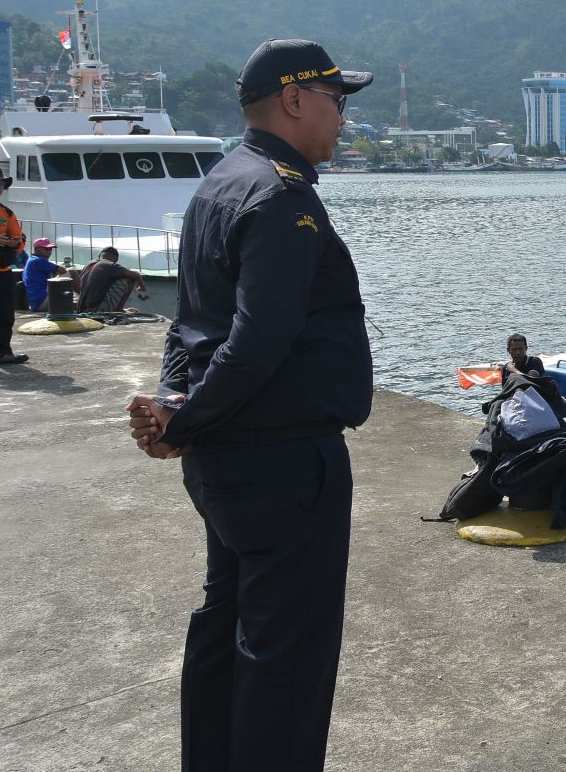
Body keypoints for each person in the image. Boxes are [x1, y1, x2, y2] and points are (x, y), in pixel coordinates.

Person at [125, 38, 373, 772]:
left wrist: (178, 406)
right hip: (282, 461)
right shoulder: (280, 195)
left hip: (226, 461)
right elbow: (259, 338)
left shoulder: (219, 183)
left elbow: (190, 320)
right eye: (336, 100)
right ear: (295, 100)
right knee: (284, 659)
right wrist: (189, 417)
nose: (342, 118)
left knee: (226, 629)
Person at [0, 163, 30, 364]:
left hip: (1, 269)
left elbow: (19, 238)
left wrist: (14, 244)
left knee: (5, 312)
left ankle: (1, 352)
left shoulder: (7, 213)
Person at [76, 245, 150, 312]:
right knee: (130, 278)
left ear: (100, 256)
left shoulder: (88, 265)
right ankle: (119, 309)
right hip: (96, 310)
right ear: (116, 260)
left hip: (81, 309)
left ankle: (112, 307)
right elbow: (135, 275)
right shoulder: (110, 265)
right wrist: (141, 285)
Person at [21, 237, 68, 312]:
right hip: (41, 303)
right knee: (71, 272)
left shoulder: (31, 259)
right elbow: (62, 270)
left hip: (36, 304)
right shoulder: (38, 261)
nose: (49, 252)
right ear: (36, 249)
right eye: (46, 249)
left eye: (50, 249)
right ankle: (84, 298)